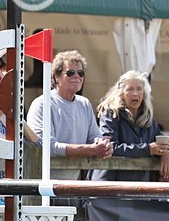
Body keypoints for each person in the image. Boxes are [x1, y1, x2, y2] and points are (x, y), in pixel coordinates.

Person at [26, 50, 112, 183]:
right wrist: (91, 150)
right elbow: (46, 146)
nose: (77, 76)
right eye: (70, 73)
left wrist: (103, 146)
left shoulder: (84, 104)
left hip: (72, 184)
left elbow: (94, 138)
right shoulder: (42, 104)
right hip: (42, 186)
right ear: (56, 77)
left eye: (81, 73)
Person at [92, 71, 169, 183]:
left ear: (143, 93)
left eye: (139, 89)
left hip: (137, 188)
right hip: (109, 185)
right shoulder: (110, 114)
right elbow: (109, 148)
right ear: (121, 93)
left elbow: (162, 143)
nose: (135, 93)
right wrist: (147, 149)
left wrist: (166, 152)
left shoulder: (147, 118)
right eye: (130, 89)